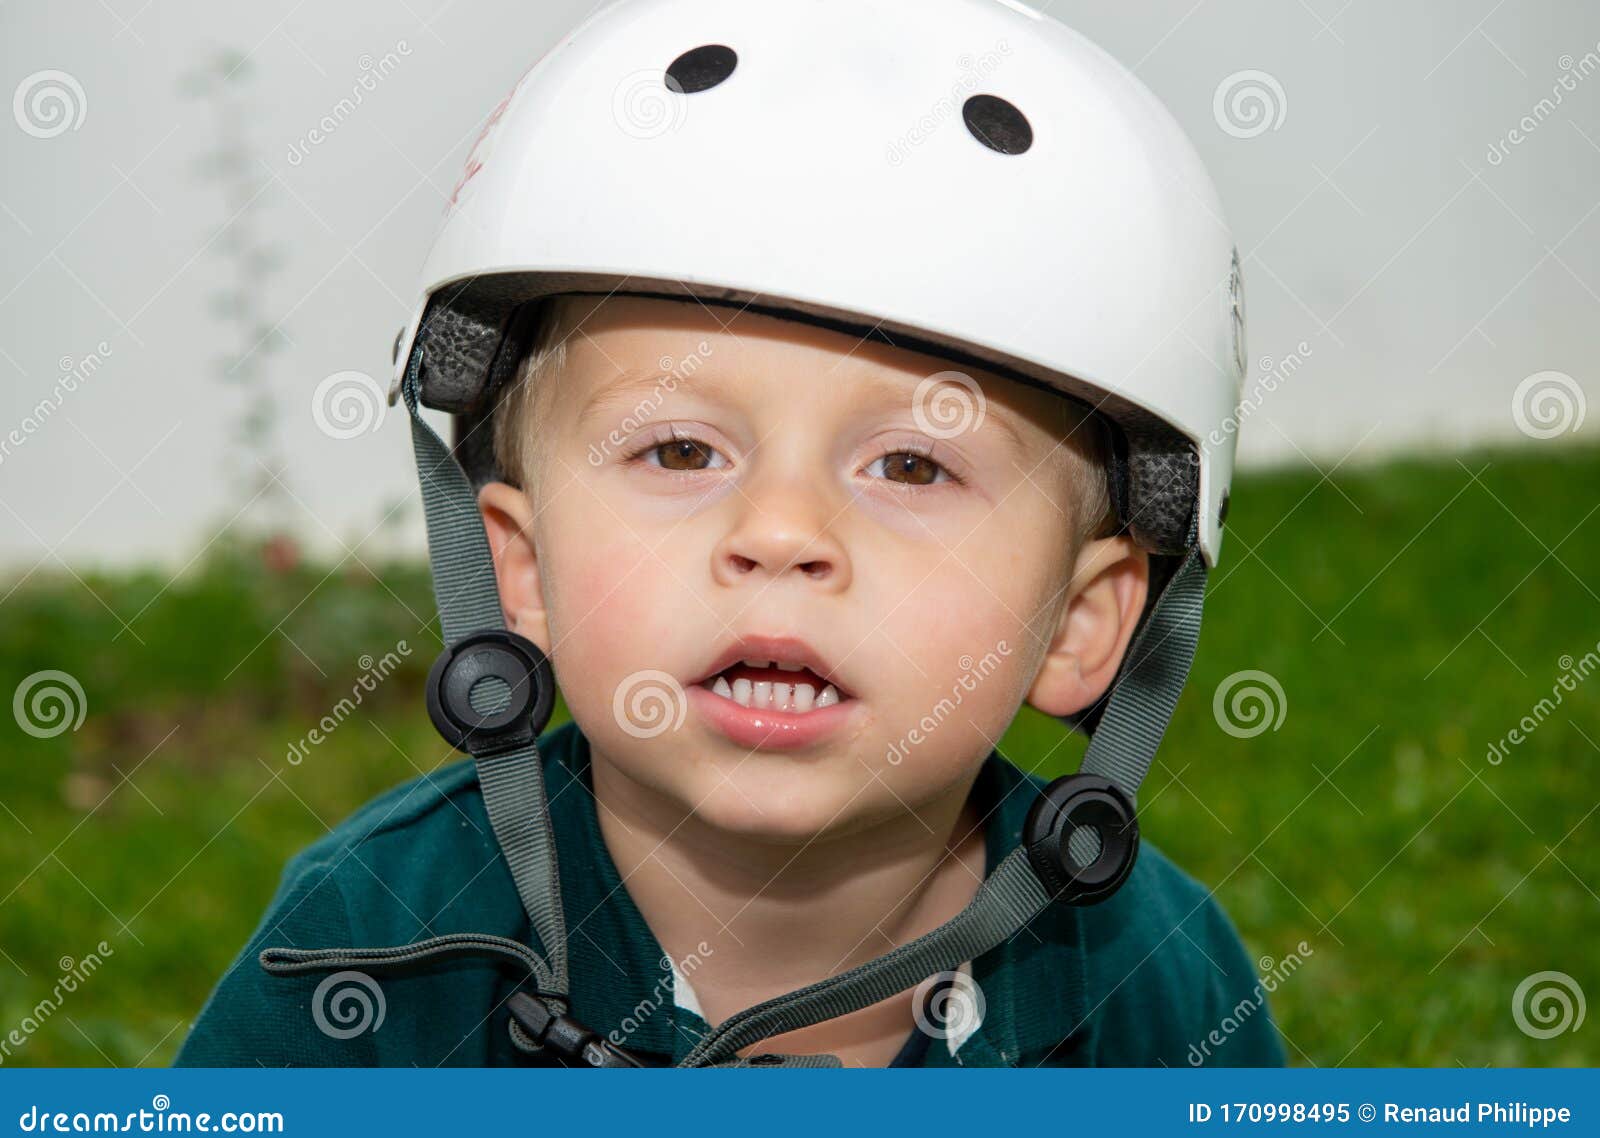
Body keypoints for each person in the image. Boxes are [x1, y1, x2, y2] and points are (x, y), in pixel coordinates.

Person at [176, 0, 1283, 1068]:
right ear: (519, 565)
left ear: (1081, 625)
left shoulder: (1153, 986)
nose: (781, 534)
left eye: (910, 465)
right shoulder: (367, 957)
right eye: (679, 453)